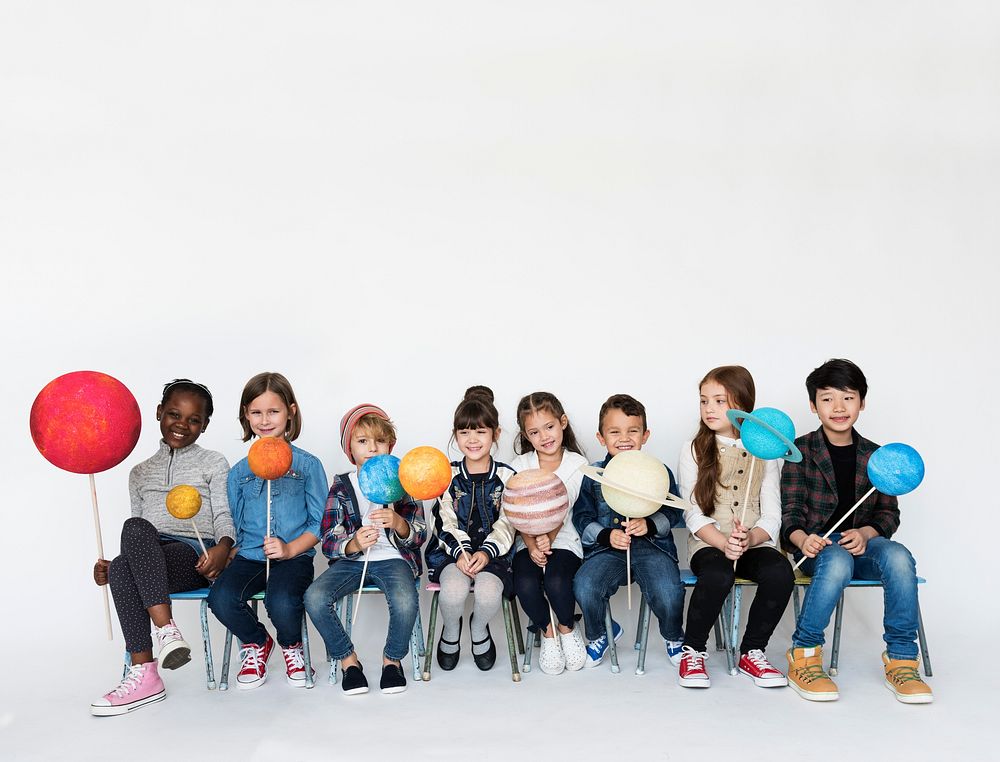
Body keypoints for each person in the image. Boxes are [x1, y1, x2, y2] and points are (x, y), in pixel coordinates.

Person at [783, 359, 932, 703]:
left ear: (862, 403)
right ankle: (803, 654)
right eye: (827, 398)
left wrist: (866, 532)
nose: (838, 407)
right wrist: (802, 538)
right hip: (816, 549)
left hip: (862, 547)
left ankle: (901, 659)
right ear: (813, 405)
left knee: (898, 556)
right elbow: (789, 514)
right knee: (836, 560)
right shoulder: (799, 452)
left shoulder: (878, 457)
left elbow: (888, 515)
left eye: (848, 398)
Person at [91, 379, 235, 716]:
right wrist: (112, 565)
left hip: (194, 554)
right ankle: (161, 644)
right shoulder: (139, 473)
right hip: (151, 557)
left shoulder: (213, 462)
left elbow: (224, 514)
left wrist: (223, 547)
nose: (182, 425)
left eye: (193, 419)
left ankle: (146, 668)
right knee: (131, 538)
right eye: (174, 414)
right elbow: (137, 541)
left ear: (205, 425)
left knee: (126, 564)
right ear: (159, 413)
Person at [207, 372, 327, 690]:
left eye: (273, 411)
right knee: (220, 598)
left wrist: (289, 549)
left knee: (283, 600)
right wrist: (228, 552)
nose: (264, 420)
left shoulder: (308, 466)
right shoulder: (238, 472)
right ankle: (257, 642)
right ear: (246, 414)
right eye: (256, 412)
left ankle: (291, 646)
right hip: (249, 556)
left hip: (293, 557)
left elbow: (319, 523)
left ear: (290, 412)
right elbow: (232, 520)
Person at [676, 366, 794, 689]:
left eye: (718, 401)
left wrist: (751, 537)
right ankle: (693, 650)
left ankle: (752, 651)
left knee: (781, 572)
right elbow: (693, 514)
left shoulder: (767, 452)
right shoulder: (693, 450)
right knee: (718, 574)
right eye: (703, 401)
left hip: (752, 542)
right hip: (710, 544)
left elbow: (772, 514)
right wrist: (724, 542)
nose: (709, 409)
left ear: (742, 403)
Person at [304, 405, 425, 695]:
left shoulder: (403, 482)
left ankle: (392, 661)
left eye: (379, 441)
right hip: (353, 562)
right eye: (362, 441)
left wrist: (398, 523)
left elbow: (419, 534)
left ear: (389, 445)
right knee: (315, 596)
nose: (372, 448)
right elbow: (329, 539)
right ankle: (348, 660)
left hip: (393, 559)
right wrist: (354, 542)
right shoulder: (343, 485)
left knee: (406, 600)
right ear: (350, 449)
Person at [572, 394, 686, 671]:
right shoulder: (593, 475)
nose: (624, 438)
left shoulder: (658, 472)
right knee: (585, 585)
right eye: (614, 432)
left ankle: (673, 637)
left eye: (633, 431)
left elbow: (675, 510)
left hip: (652, 549)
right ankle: (600, 633)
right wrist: (604, 536)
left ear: (645, 435)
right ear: (601, 437)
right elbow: (582, 516)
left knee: (669, 591)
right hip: (608, 550)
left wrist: (649, 524)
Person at [424, 386, 516, 672]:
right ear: (455, 435)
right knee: (452, 591)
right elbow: (443, 518)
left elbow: (509, 521)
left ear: (496, 434)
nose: (472, 439)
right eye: (464, 432)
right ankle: (451, 631)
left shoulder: (507, 476)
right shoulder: (447, 474)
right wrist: (461, 551)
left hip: (494, 556)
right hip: (452, 553)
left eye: (481, 432)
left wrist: (487, 553)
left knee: (488, 594)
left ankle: (479, 629)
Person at [510, 391, 588, 675]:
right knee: (526, 583)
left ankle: (567, 628)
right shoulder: (519, 467)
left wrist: (549, 540)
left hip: (565, 540)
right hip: (526, 542)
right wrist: (532, 545)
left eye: (549, 426)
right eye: (534, 431)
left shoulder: (578, 465)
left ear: (563, 422)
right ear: (526, 435)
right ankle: (548, 632)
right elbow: (515, 509)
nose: (544, 436)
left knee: (556, 581)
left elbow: (565, 506)